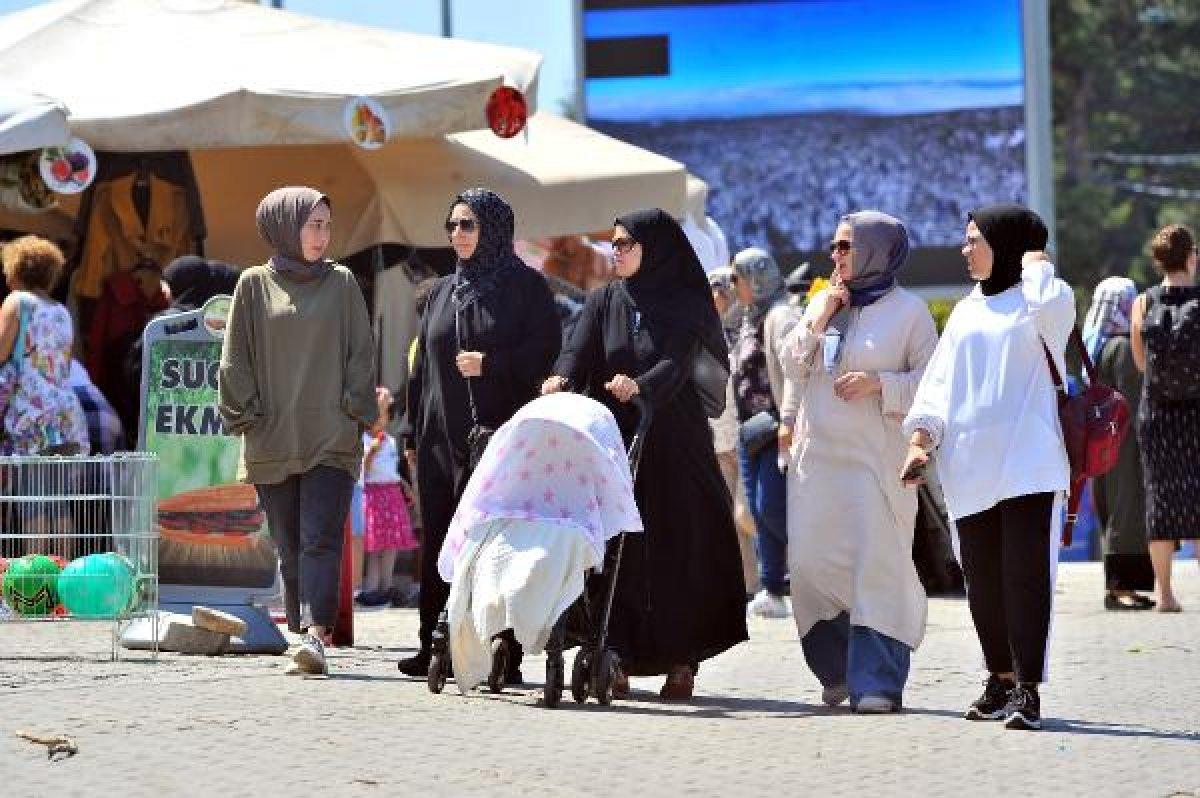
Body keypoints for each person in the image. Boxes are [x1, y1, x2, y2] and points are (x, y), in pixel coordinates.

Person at [542, 208, 748, 701]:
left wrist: (643, 385)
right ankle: (615, 652)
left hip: (674, 443)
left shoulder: (686, 304)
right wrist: (561, 378)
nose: (615, 251)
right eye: (613, 244)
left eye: (625, 244)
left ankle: (682, 658)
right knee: (619, 552)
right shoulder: (604, 300)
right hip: (617, 442)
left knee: (681, 547)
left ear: (651, 249)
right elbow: (577, 348)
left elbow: (678, 360)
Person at [902, 205, 1073, 731]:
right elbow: (938, 383)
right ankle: (998, 679)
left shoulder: (1045, 296)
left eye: (974, 239)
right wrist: (920, 439)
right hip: (971, 470)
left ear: (1008, 245)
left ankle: (1028, 687)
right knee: (983, 581)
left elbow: (1052, 309)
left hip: (1030, 464)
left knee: (1025, 578)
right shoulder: (967, 310)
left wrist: (1036, 263)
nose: (964, 248)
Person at [777, 212, 938, 713]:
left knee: (876, 569)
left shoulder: (910, 313)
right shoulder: (827, 301)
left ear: (875, 250)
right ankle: (837, 668)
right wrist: (820, 313)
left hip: (877, 466)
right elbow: (791, 364)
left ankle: (878, 683)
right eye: (834, 246)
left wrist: (880, 384)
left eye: (845, 246)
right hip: (817, 463)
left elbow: (935, 388)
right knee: (807, 566)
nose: (835, 255)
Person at [398, 188, 561, 678]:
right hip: (437, 438)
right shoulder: (443, 291)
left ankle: (499, 654)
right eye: (451, 226)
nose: (457, 234)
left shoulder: (526, 288)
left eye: (467, 224)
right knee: (440, 542)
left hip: (496, 440)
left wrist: (493, 364)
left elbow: (547, 353)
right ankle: (436, 646)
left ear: (492, 228)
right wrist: (410, 434)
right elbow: (420, 367)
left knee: (493, 542)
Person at [219, 186, 378, 676]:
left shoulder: (343, 282)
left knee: (319, 538)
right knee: (288, 543)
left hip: (330, 434)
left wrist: (353, 410)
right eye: (314, 224)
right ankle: (298, 633)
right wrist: (242, 412)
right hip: (272, 435)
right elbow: (235, 356)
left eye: (328, 225)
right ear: (285, 225)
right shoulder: (252, 284)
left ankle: (316, 635)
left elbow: (361, 351)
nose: (322, 234)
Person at [1129, 224, 1200, 614]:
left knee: (1159, 495)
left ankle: (1166, 594)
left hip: (1156, 413)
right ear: (1192, 258)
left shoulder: (1143, 302)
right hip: (1196, 412)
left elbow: (1141, 363)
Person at [730, 247, 800, 618]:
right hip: (750, 431)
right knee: (757, 511)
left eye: (738, 278)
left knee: (772, 506)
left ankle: (809, 569)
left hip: (776, 427)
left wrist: (787, 418)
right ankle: (772, 587)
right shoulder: (749, 317)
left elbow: (793, 372)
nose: (734, 286)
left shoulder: (781, 316)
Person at [1083, 277, 1155, 610]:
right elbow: (1134, 398)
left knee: (1114, 510)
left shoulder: (1095, 347)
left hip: (1101, 445)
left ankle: (1121, 586)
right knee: (1127, 511)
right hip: (1125, 445)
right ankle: (1120, 588)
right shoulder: (1125, 346)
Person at [0, 235, 89, 457]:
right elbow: (63, 367)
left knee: (20, 489)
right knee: (50, 488)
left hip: (28, 412)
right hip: (64, 415)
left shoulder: (17, 301)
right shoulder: (62, 311)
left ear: (16, 269)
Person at [707, 267, 761, 597]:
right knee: (731, 519)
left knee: (747, 514)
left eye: (724, 290)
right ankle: (748, 584)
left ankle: (776, 567)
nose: (718, 297)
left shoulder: (746, 329)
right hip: (716, 438)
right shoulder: (703, 334)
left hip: (747, 436)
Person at [356, 386, 418, 606]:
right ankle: (371, 589)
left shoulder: (391, 441)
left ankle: (386, 586)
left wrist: (404, 485)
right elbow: (362, 472)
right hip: (373, 495)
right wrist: (370, 453)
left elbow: (391, 470)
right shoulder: (362, 440)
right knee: (375, 548)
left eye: (383, 415)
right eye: (375, 415)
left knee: (391, 546)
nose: (379, 421)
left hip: (391, 495)